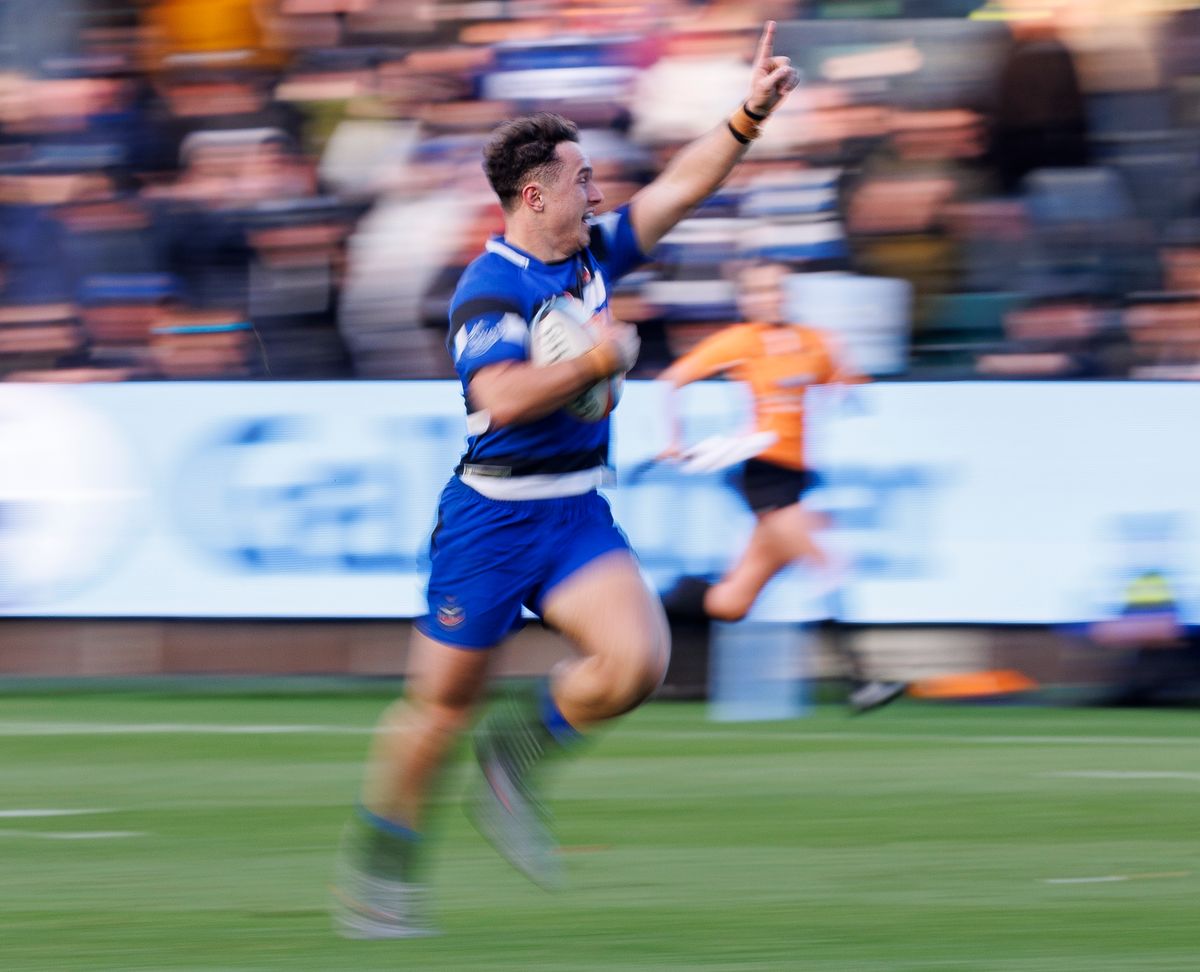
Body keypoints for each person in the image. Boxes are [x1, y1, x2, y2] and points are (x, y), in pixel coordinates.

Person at [332, 22, 801, 939]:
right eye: (582, 178)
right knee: (437, 713)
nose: (599, 188)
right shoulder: (489, 289)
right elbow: (499, 398)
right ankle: (379, 872)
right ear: (534, 192)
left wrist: (747, 115)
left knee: (638, 663)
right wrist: (592, 365)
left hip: (575, 508)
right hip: (493, 521)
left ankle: (516, 761)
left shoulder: (591, 254)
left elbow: (679, 190)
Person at [656, 260, 906, 716]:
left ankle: (658, 605)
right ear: (746, 300)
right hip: (763, 471)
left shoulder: (814, 341)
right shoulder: (740, 342)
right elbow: (673, 381)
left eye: (776, 289)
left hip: (795, 477)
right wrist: (675, 442)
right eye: (759, 291)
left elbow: (842, 382)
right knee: (829, 563)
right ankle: (861, 678)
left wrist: (849, 386)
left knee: (732, 602)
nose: (769, 298)